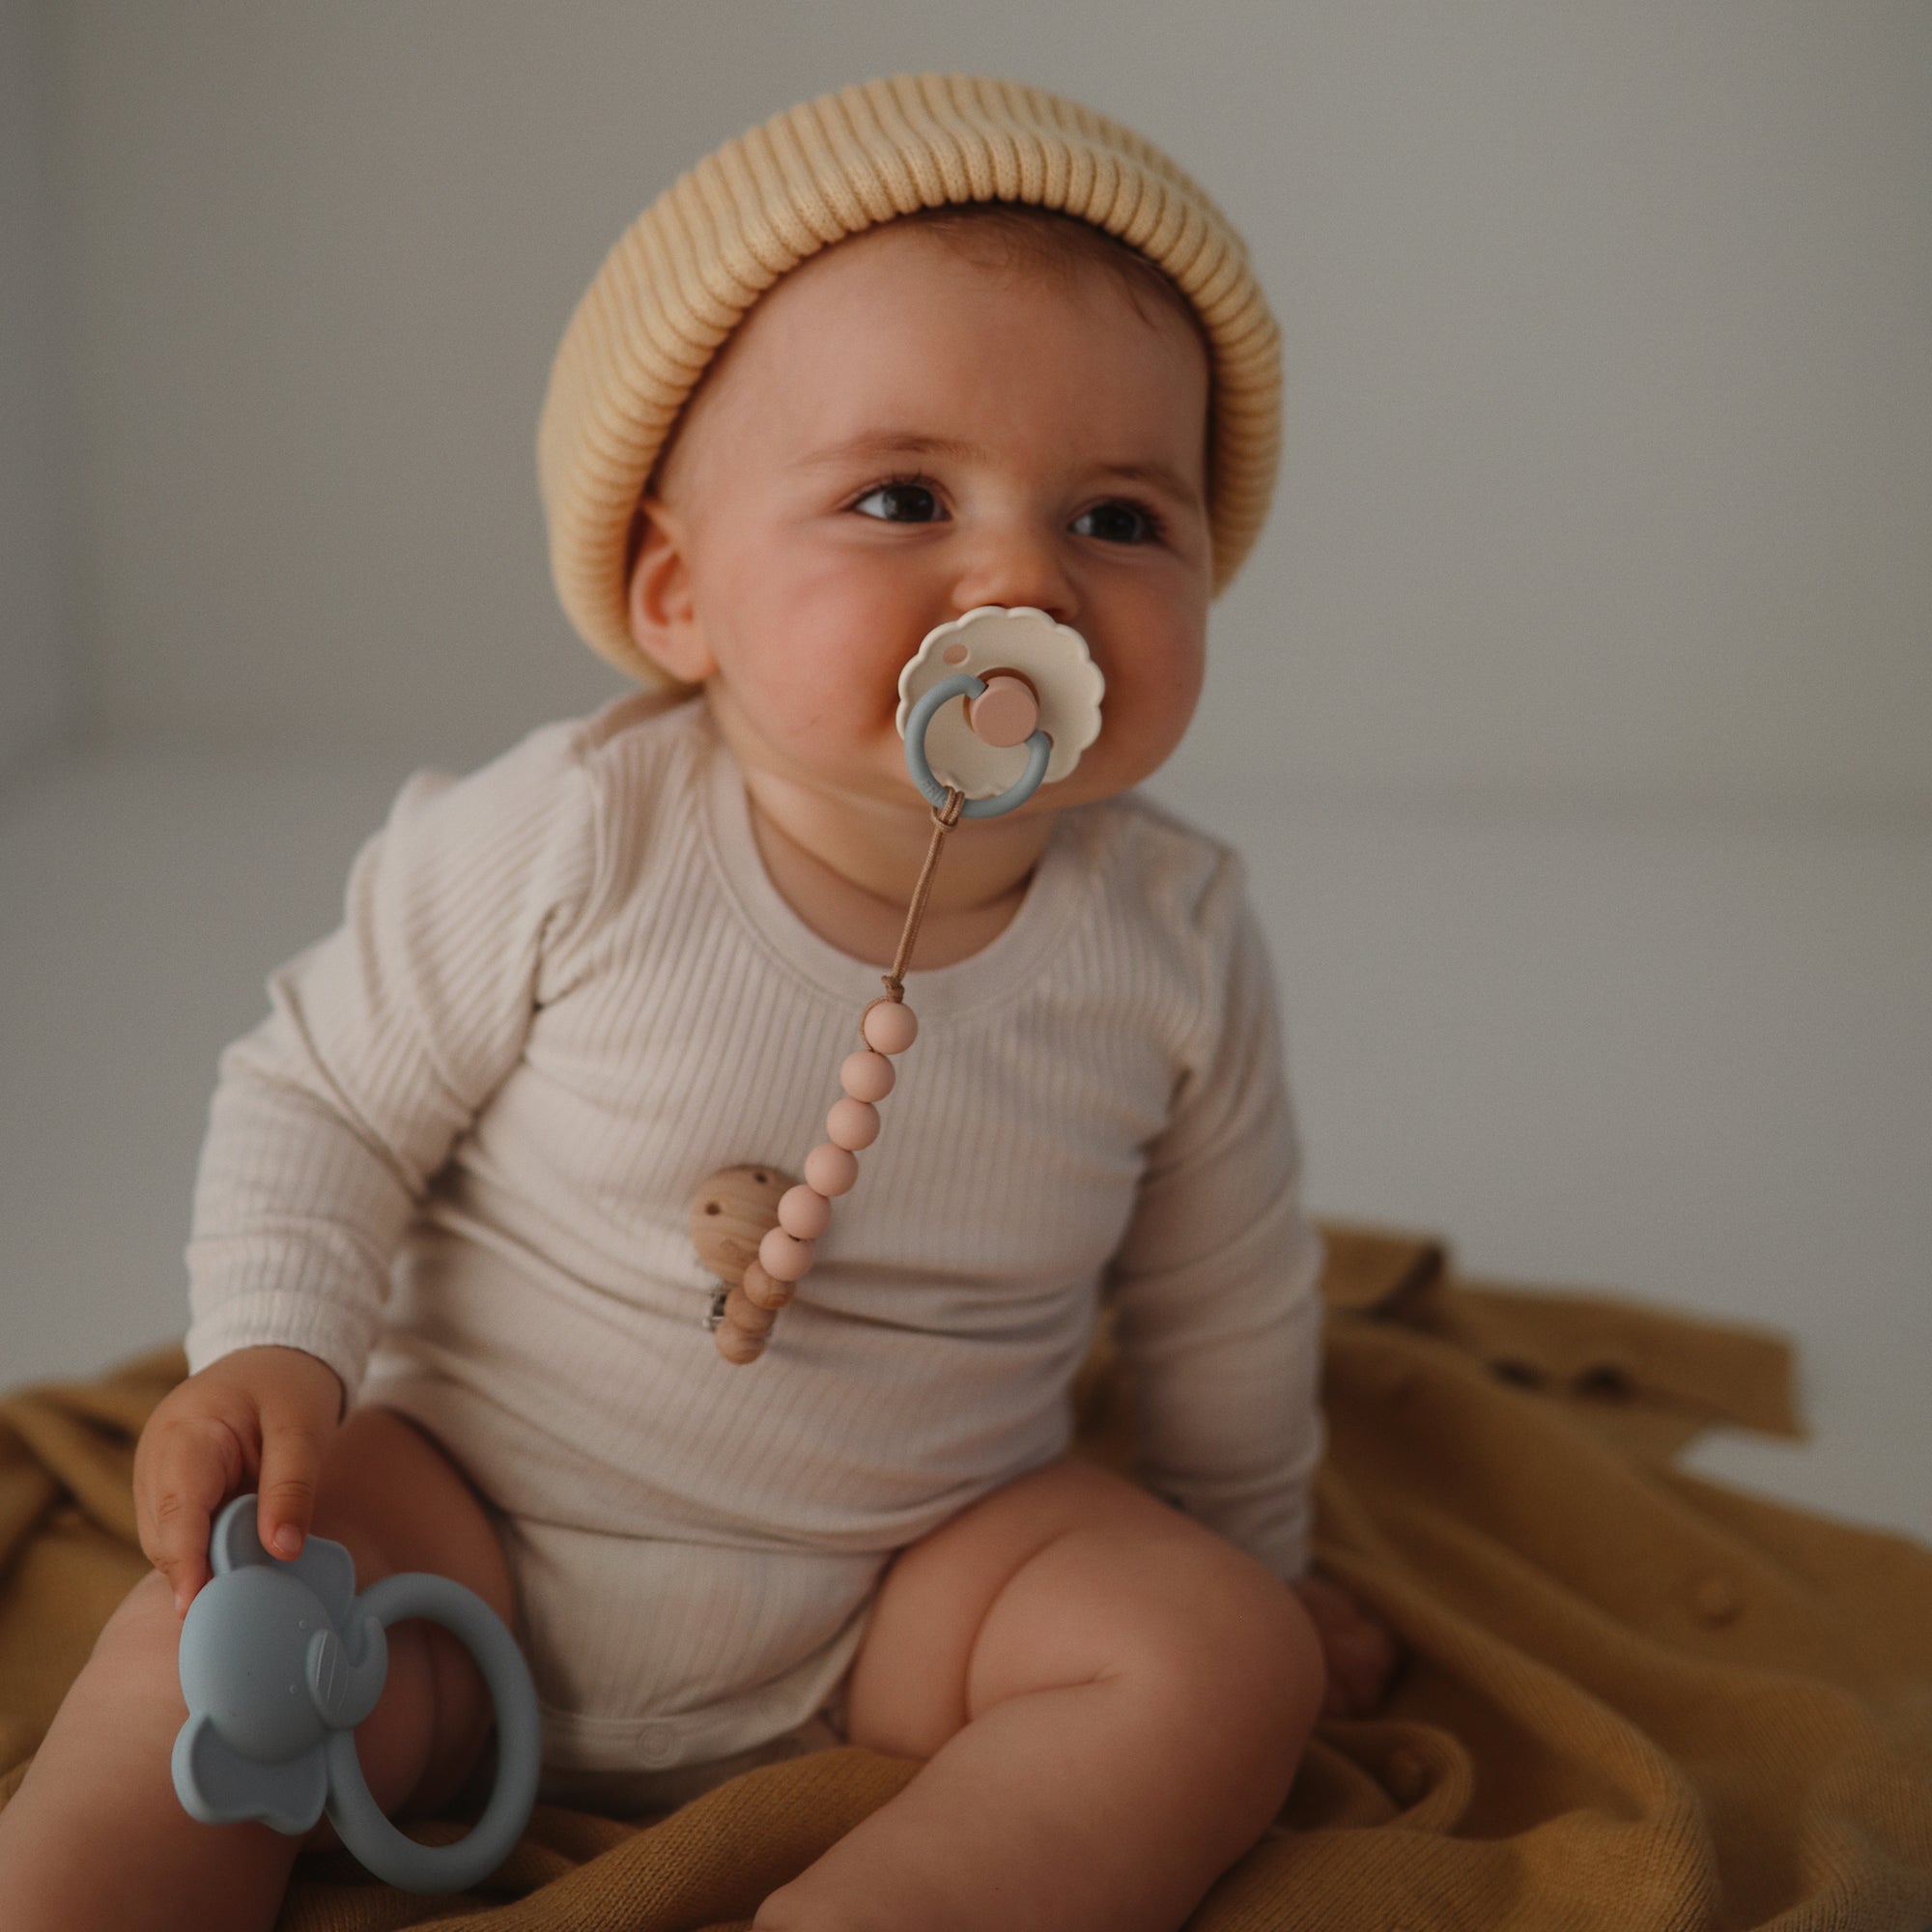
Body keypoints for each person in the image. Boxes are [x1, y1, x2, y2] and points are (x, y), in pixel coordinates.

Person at [0, 72, 1397, 1932]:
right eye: (904, 496)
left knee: (1218, 1661)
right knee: (224, 1632)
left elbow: (1228, 1305)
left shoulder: (1173, 939)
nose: (1020, 579)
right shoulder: (577, 837)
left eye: (1122, 520)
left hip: (913, 1602)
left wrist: (1249, 1563)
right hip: (463, 1550)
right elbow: (323, 1095)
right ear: (679, 593)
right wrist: (274, 1348)